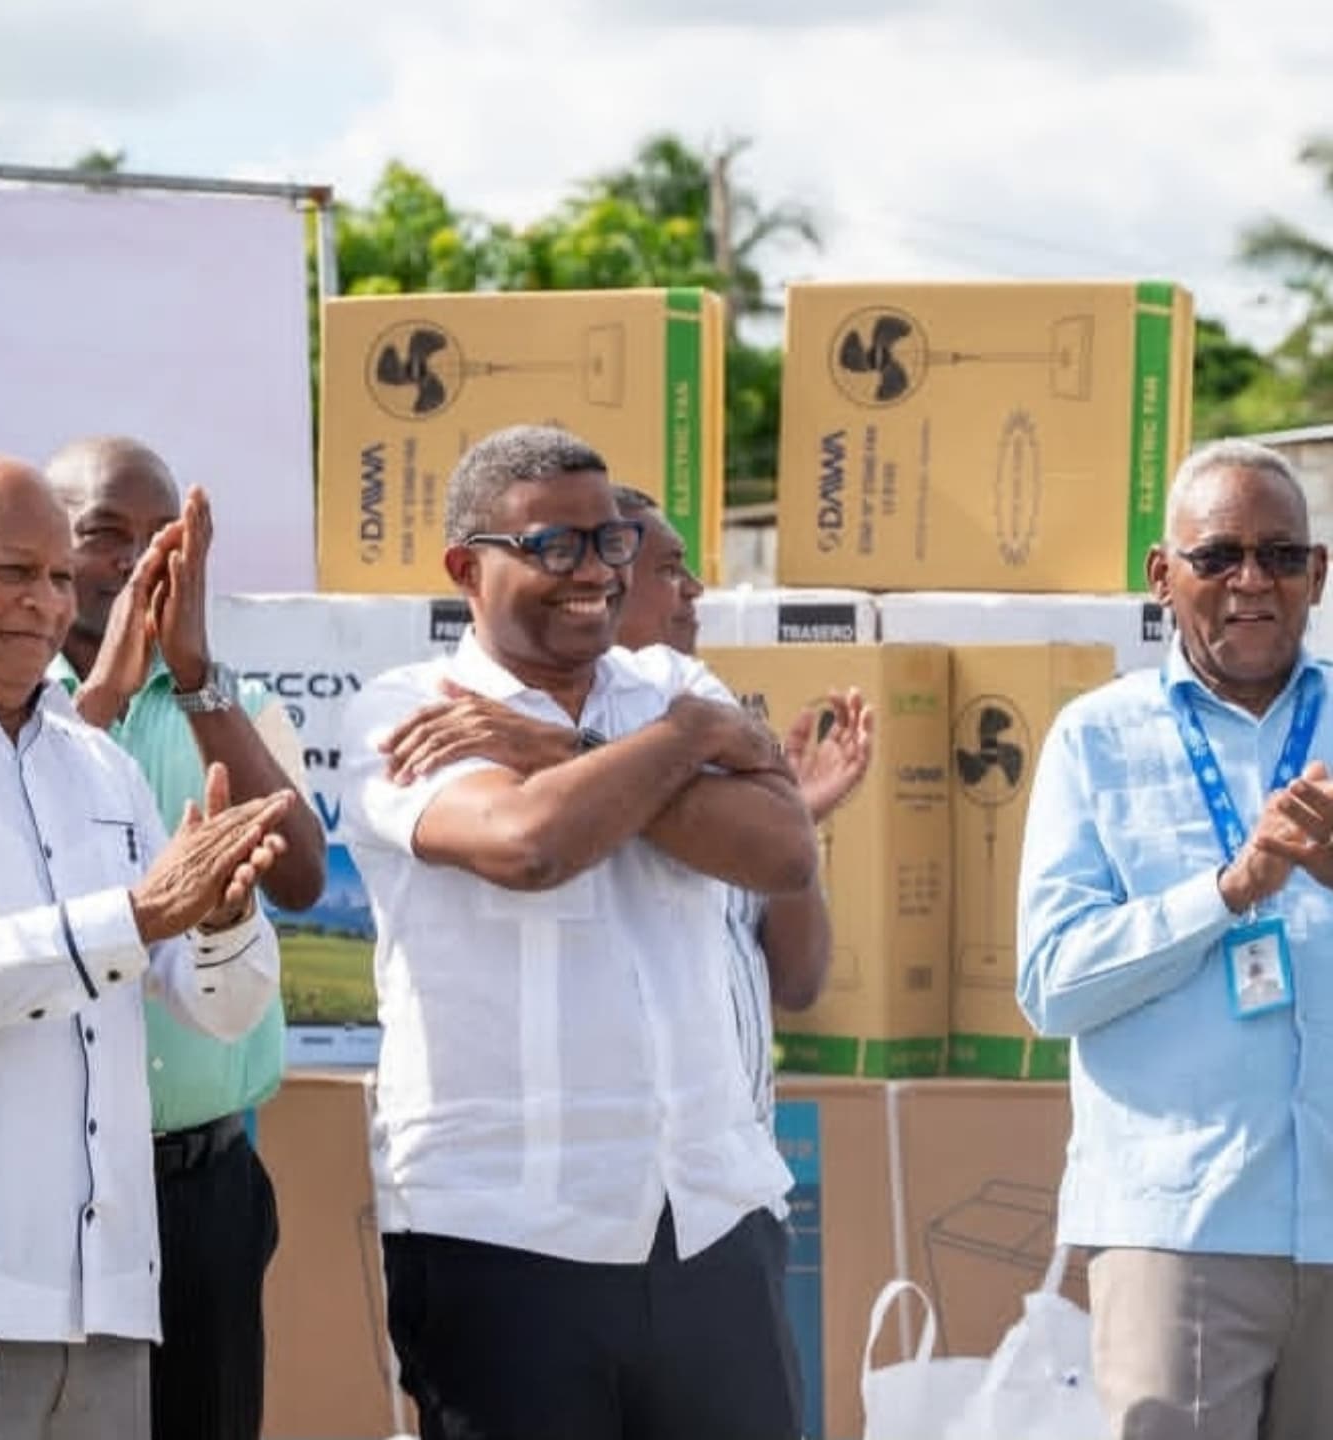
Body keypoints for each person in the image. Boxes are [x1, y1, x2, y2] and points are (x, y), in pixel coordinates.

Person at [341, 425, 819, 1440]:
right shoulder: (409, 711)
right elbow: (531, 846)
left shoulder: (674, 691)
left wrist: (581, 743)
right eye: (553, 547)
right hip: (505, 1241)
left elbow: (783, 849)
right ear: (466, 568)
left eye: (609, 543)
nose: (592, 573)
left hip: (710, 1221)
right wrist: (686, 753)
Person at [0, 451, 291, 1440]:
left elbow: (222, 1006)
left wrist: (224, 917)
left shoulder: (99, 768)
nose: (46, 603)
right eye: (11, 572)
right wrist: (138, 917)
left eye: (61, 577)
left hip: (108, 1311)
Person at [381, 482, 874, 1131]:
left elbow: (798, 982)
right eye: (667, 569)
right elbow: (534, 848)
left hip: (728, 1172)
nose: (695, 589)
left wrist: (794, 819)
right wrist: (600, 751)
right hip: (586, 1178)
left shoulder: (713, 731)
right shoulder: (468, 720)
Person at [1017, 438, 1333, 1440]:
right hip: (1183, 1231)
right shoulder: (1095, 739)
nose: (1253, 581)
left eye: (1283, 556)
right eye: (1219, 556)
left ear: (1319, 575)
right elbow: (1051, 983)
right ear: (1162, 576)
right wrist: (1230, 891)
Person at [44, 436, 326, 1440]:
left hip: (198, 1186)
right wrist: (107, 695)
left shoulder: (227, 706)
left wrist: (194, 676)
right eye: (100, 537)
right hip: (41, 1187)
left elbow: (299, 875)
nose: (130, 566)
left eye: (158, 543)